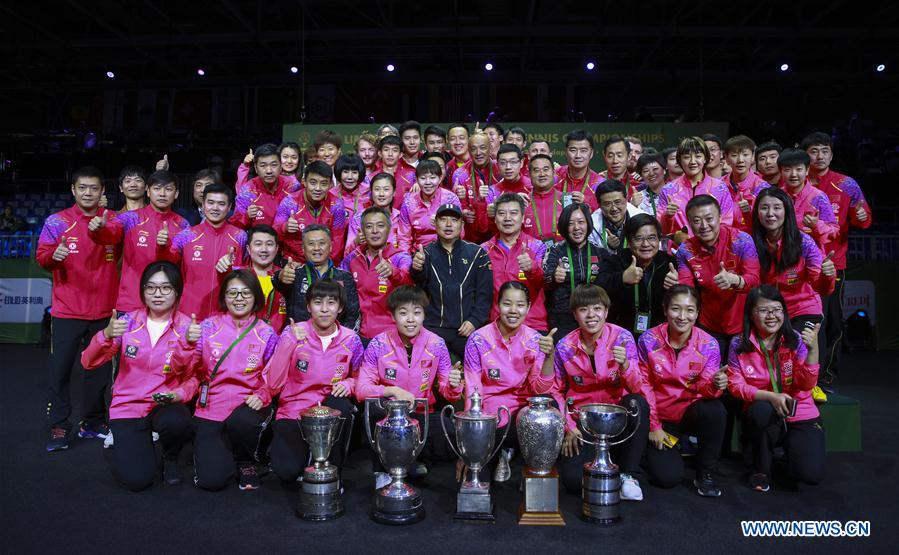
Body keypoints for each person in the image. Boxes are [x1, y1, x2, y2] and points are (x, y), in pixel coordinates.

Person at [80, 261, 196, 490]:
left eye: (166, 288)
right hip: (128, 406)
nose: (157, 294)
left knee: (177, 419)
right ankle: (140, 441)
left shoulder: (187, 327)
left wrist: (179, 395)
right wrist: (105, 335)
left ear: (177, 291)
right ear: (142, 291)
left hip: (163, 404)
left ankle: (170, 458)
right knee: (137, 480)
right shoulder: (126, 323)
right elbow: (88, 362)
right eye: (150, 287)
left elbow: (194, 377)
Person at [37, 166, 120, 451]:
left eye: (94, 188)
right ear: (73, 190)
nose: (88, 192)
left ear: (102, 192)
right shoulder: (57, 222)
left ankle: (93, 422)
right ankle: (59, 426)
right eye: (82, 187)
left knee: (97, 372)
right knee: (60, 371)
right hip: (67, 312)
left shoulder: (113, 221)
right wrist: (53, 256)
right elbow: (41, 256)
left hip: (104, 312)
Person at [173, 270, 279, 491]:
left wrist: (262, 394)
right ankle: (223, 450)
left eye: (245, 293)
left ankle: (246, 461)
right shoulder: (207, 327)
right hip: (211, 407)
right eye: (233, 293)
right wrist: (187, 344)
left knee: (244, 422)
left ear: (255, 297)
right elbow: (187, 369)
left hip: (247, 405)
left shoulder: (266, 333)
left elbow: (273, 376)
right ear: (224, 296)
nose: (239, 299)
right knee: (211, 481)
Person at [356, 286, 462, 487]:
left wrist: (455, 385)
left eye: (417, 313)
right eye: (403, 313)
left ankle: (413, 460)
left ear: (424, 315)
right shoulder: (378, 344)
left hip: (422, 411)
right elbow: (361, 390)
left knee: (450, 437)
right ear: (393, 316)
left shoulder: (436, 344)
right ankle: (382, 471)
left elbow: (449, 392)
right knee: (372, 412)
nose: (411, 319)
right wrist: (392, 391)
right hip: (390, 413)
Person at [556, 284, 650, 500]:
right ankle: (605, 466)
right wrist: (569, 427)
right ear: (575, 315)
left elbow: (637, 387)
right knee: (572, 482)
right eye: (583, 309)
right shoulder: (564, 346)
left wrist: (625, 365)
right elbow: (556, 390)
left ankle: (628, 475)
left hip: (617, 415)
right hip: (583, 419)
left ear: (606, 312)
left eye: (597, 308)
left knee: (637, 403)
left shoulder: (623, 338)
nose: (591, 315)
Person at [727, 285, 825, 491]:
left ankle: (787, 454)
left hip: (800, 412)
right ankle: (760, 468)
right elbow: (736, 386)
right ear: (751, 315)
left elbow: (806, 384)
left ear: (784, 312)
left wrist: (813, 350)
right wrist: (771, 396)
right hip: (763, 411)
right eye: (763, 310)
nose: (771, 316)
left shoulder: (795, 340)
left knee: (809, 474)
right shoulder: (739, 343)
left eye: (777, 309)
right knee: (761, 410)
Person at [266, 279, 364, 484]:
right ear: (309, 306)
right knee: (286, 471)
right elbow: (273, 384)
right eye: (318, 302)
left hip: (328, 409)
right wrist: (290, 342)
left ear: (340, 308)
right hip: (295, 411)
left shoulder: (351, 339)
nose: (325, 309)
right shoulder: (293, 332)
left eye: (331, 303)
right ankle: (304, 458)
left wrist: (348, 384)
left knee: (342, 407)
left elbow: (360, 377)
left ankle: (334, 474)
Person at [460, 281, 557, 481]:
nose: (513, 310)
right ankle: (502, 454)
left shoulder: (535, 340)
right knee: (478, 478)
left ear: (529, 307)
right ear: (498, 305)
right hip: (489, 413)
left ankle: (527, 470)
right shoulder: (478, 339)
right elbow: (473, 386)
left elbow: (540, 388)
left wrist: (549, 358)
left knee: (548, 412)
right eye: (507, 304)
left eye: (520, 305)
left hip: (523, 412)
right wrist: (469, 435)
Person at [638, 285, 728, 497]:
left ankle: (705, 473)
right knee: (667, 478)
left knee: (715, 409)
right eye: (676, 309)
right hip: (660, 418)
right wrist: (654, 426)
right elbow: (644, 386)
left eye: (689, 310)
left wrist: (715, 385)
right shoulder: (648, 340)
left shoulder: (709, 345)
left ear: (697, 313)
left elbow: (705, 390)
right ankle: (663, 449)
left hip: (689, 414)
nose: (682, 316)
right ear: (665, 309)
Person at [802, 131, 872, 377]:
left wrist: (862, 216)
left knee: (832, 320)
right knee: (804, 319)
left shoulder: (846, 184)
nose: (819, 156)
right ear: (805, 155)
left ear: (831, 155)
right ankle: (803, 373)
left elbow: (863, 217)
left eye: (824, 151)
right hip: (799, 263)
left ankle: (828, 373)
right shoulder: (797, 181)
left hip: (833, 263)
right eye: (814, 151)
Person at [89, 170, 189, 313]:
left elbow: (180, 264)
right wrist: (98, 230)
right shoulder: (130, 218)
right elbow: (110, 235)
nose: (162, 194)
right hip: (131, 303)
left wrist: (164, 247)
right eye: (156, 188)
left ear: (176, 194)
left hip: (166, 306)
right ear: (148, 192)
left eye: (168, 189)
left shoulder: (183, 225)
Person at [675, 195, 760, 360]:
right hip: (708, 325)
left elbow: (755, 280)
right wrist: (676, 286)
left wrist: (735, 280)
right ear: (689, 223)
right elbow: (687, 291)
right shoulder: (686, 250)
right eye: (696, 220)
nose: (704, 226)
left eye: (709, 219)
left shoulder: (741, 240)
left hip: (743, 323)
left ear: (720, 217)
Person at [410, 203, 493, 360]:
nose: (448, 225)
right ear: (435, 224)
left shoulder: (477, 254)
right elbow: (419, 284)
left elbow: (485, 295)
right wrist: (417, 268)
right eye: (443, 219)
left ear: (462, 224)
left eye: (454, 220)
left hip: (466, 328)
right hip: (433, 328)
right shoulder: (424, 253)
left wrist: (474, 321)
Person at [170, 183, 246, 320]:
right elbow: (168, 264)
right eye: (210, 203)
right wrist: (161, 246)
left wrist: (231, 269)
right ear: (203, 205)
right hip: (188, 314)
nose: (215, 208)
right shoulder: (186, 235)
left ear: (229, 207)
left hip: (225, 316)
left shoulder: (240, 237)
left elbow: (247, 273)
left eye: (221, 204)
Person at [597, 214, 679, 336]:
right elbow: (598, 287)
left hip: (660, 332)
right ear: (629, 242)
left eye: (652, 238)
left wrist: (676, 286)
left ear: (659, 240)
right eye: (638, 238)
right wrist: (622, 278)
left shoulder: (669, 263)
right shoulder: (615, 261)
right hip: (621, 332)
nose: (645, 244)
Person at [340, 207, 413, 341]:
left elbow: (410, 282)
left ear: (389, 229)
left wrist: (393, 272)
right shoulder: (352, 258)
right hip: (356, 334)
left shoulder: (400, 258)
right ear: (362, 231)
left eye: (380, 226)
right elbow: (338, 285)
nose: (374, 231)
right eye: (369, 226)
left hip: (391, 335)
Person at [481, 193, 548, 331]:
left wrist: (532, 269)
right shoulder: (483, 250)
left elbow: (546, 283)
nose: (507, 218)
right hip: (495, 325)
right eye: (502, 213)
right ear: (495, 218)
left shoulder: (537, 247)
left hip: (531, 324)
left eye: (513, 213)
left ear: (523, 218)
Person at [274, 224, 359, 330]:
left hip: (334, 342)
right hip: (301, 339)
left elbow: (352, 314)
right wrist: (280, 276)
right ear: (303, 249)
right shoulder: (294, 275)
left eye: (322, 243)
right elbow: (278, 283)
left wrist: (340, 339)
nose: (316, 248)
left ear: (331, 247)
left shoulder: (345, 277)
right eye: (311, 244)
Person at [543, 202, 603, 340]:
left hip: (592, 315)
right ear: (564, 226)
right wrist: (553, 276)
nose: (576, 228)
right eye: (571, 223)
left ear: (588, 223)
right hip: (562, 315)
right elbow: (544, 280)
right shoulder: (555, 250)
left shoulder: (599, 252)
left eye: (581, 222)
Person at [657, 136, 734, 238]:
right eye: (687, 157)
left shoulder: (719, 188)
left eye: (698, 156)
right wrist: (667, 216)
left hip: (712, 250)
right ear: (679, 160)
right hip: (678, 250)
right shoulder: (668, 190)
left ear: (705, 158)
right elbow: (661, 230)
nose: (693, 161)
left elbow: (726, 223)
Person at [274, 161, 347, 263]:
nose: (318, 188)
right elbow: (274, 235)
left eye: (323, 184)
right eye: (313, 183)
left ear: (331, 184)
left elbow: (337, 243)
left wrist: (324, 267)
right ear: (304, 181)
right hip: (294, 262)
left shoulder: (336, 206)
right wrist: (284, 227)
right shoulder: (289, 203)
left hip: (324, 264)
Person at [777, 148, 837, 251]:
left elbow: (834, 231)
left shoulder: (818, 197)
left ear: (807, 170)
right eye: (787, 170)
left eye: (799, 169)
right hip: (781, 256)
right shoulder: (776, 196)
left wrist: (816, 225)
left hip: (811, 258)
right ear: (780, 171)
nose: (793, 174)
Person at [231, 143, 301, 229]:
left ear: (280, 166)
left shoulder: (293, 187)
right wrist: (247, 216)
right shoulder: (247, 191)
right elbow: (234, 226)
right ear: (256, 168)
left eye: (274, 165)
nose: (269, 171)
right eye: (263, 166)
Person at [398, 159, 462, 252]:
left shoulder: (450, 199)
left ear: (440, 179)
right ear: (416, 180)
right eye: (423, 178)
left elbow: (460, 232)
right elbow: (404, 239)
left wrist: (440, 225)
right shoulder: (409, 202)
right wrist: (406, 263)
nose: (428, 182)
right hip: (419, 254)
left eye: (432, 178)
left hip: (448, 251)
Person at [451, 130, 498, 243]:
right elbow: (454, 206)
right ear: (468, 150)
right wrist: (463, 212)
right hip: (470, 237)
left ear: (490, 148)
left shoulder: (500, 169)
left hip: (498, 234)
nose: (478, 153)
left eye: (483, 147)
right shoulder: (460, 174)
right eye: (473, 149)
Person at [723, 135, 770, 233]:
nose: (740, 160)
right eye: (734, 155)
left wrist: (749, 211)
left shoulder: (763, 188)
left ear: (753, 157)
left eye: (745, 154)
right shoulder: (718, 186)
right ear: (726, 158)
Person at [246, 225, 287, 334]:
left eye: (269, 244)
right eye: (258, 244)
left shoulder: (286, 277)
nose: (264, 249)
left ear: (277, 249)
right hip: (244, 341)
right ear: (248, 249)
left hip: (278, 342)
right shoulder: (239, 277)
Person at [588, 179, 646, 255]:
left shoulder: (643, 219)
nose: (614, 208)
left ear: (626, 200)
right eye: (607, 204)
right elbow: (591, 257)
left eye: (617, 202)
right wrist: (609, 247)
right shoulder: (591, 225)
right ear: (600, 205)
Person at [346, 172, 402, 250]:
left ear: (394, 192)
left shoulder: (400, 218)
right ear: (371, 192)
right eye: (377, 189)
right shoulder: (359, 217)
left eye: (386, 189)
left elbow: (405, 246)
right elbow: (347, 253)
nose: (381, 194)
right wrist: (356, 241)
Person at [555, 129, 601, 211]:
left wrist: (586, 202)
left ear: (591, 153)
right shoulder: (554, 177)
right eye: (573, 150)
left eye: (583, 150)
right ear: (566, 152)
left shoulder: (599, 184)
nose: (578, 155)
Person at [522, 154, 564, 245]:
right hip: (530, 256)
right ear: (529, 175)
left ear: (553, 172)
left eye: (546, 169)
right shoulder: (523, 202)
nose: (542, 174)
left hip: (562, 256)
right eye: (536, 170)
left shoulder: (566, 200)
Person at [485, 144, 532, 220]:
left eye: (513, 162)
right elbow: (483, 228)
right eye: (503, 163)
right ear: (497, 165)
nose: (508, 167)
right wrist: (488, 215)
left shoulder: (532, 187)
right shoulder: (492, 192)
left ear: (522, 163)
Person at [597, 135, 642, 203]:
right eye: (610, 156)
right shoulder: (596, 183)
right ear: (604, 156)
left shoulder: (638, 184)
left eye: (619, 155)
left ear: (629, 156)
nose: (615, 161)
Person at [375, 135, 416, 209]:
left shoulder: (411, 175)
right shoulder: (371, 177)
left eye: (395, 150)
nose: (390, 154)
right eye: (386, 150)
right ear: (380, 153)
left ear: (400, 154)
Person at [333, 153, 370, 225]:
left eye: (354, 172)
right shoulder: (330, 195)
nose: (349, 177)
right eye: (345, 172)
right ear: (339, 173)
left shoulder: (369, 192)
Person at [636, 152, 667, 217]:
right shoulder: (639, 198)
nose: (651, 174)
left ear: (664, 170)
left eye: (655, 169)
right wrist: (633, 207)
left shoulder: (676, 192)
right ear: (641, 175)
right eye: (646, 171)